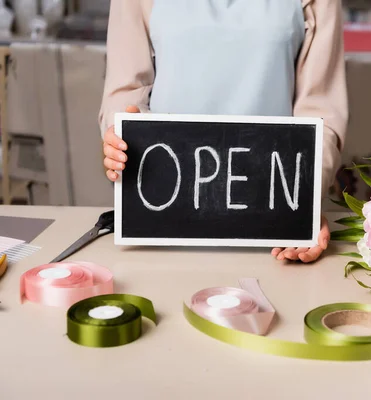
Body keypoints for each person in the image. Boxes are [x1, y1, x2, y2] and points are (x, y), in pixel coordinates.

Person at [99, 0, 348, 263]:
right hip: (165, 218)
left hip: (271, 229)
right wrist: (120, 138)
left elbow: (321, 107)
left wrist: (304, 201)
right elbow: (125, 92)